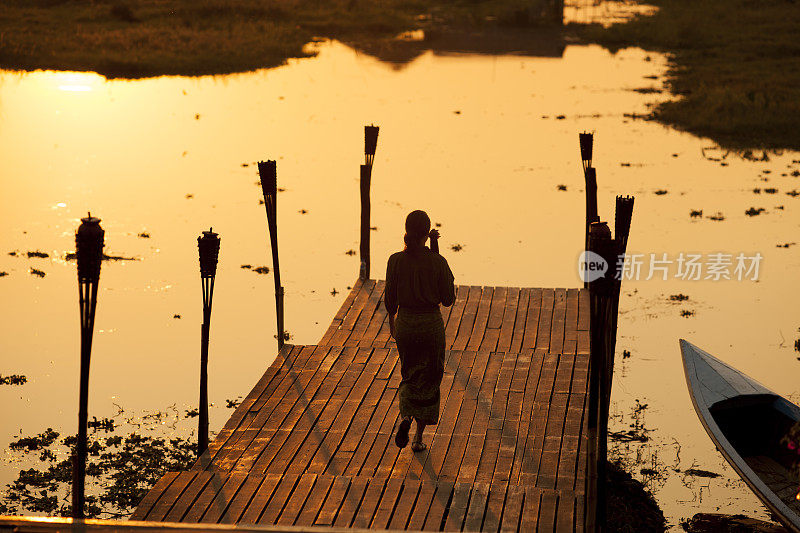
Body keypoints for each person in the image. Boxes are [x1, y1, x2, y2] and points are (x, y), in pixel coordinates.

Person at [385, 210, 455, 452]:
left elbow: (390, 297)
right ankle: (417, 438)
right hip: (430, 325)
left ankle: (405, 416)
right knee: (431, 378)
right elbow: (448, 299)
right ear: (427, 233)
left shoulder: (395, 260)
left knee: (409, 374)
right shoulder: (438, 262)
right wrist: (437, 253)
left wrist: (393, 322)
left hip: (405, 323)